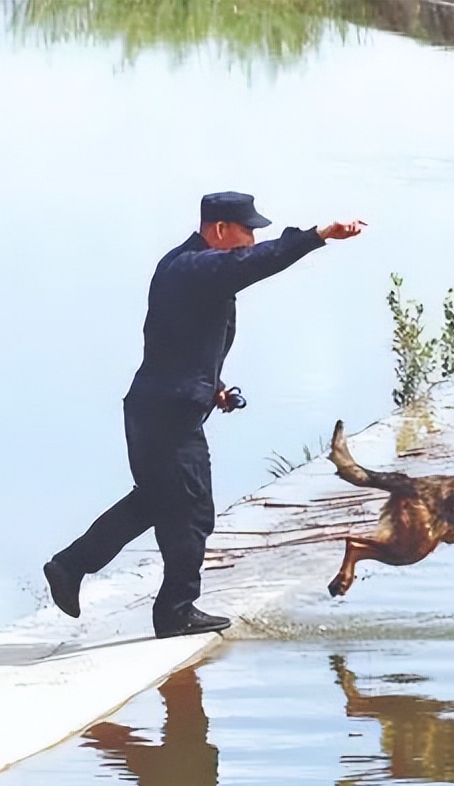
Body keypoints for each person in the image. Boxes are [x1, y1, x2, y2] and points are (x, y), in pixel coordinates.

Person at [44, 192, 364, 638]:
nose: (252, 240)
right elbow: (256, 263)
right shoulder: (195, 267)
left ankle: (69, 566)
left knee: (156, 501)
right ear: (219, 231)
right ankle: (175, 609)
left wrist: (211, 389)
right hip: (168, 416)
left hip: (156, 406)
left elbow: (176, 340)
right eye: (247, 230)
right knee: (193, 511)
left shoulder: (184, 267)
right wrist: (317, 235)